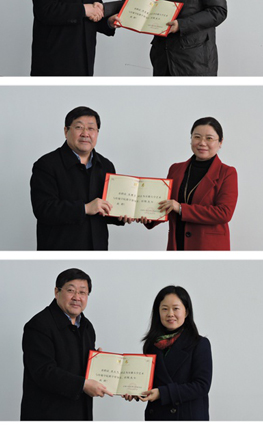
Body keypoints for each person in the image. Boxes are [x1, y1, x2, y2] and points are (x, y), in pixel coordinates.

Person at [30, 106, 128, 250]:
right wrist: (85, 208)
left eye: (91, 128)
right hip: (59, 249)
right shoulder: (46, 164)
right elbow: (44, 209)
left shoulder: (106, 166)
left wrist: (122, 214)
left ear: (97, 133)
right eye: (79, 127)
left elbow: (105, 210)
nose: (85, 133)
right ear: (66, 131)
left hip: (97, 249)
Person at [21, 268, 112, 420]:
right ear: (56, 292)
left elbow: (77, 366)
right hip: (47, 415)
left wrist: (97, 364)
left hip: (81, 413)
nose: (77, 297)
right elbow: (44, 372)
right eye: (71, 290)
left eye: (82, 292)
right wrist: (83, 385)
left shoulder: (87, 327)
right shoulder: (39, 325)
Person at [140, 117, 237, 250]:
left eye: (209, 138)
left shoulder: (227, 173)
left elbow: (224, 213)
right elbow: (167, 205)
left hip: (208, 248)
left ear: (220, 142)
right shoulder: (175, 169)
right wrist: (146, 215)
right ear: (191, 139)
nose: (202, 143)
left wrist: (181, 208)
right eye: (197, 137)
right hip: (177, 245)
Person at [123, 285, 212, 420]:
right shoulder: (152, 345)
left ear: (186, 312)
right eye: (164, 309)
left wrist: (162, 393)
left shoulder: (199, 344)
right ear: (158, 312)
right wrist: (135, 390)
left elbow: (201, 386)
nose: (170, 314)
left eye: (176, 308)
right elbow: (149, 383)